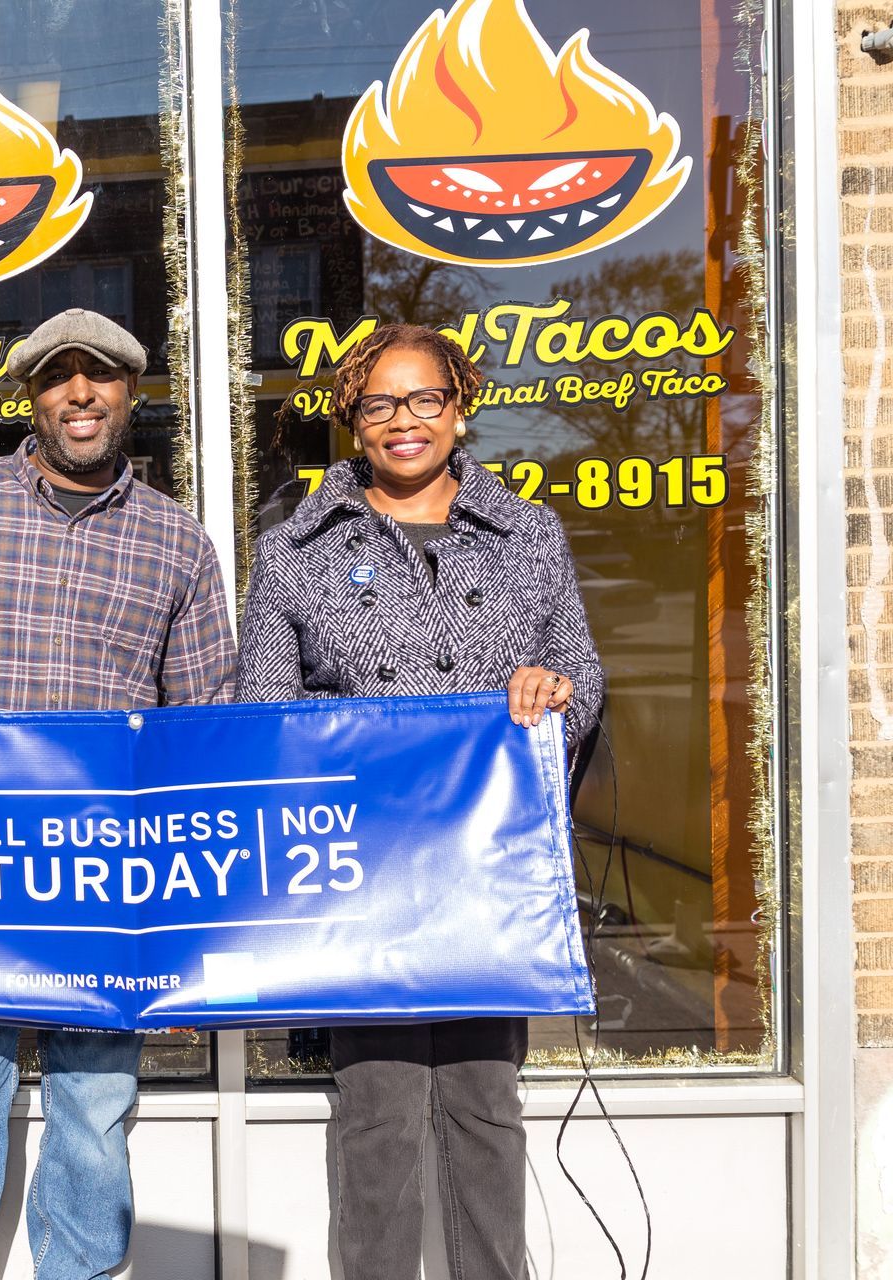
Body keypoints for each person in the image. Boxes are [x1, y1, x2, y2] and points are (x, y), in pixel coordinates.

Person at [0, 308, 237, 1279]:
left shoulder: (178, 542)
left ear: (130, 391)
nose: (80, 392)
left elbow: (203, 724)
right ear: (31, 397)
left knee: (92, 1112)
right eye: (57, 375)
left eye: (102, 373)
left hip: (107, 881)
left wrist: (187, 907)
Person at [233, 322, 605, 1279]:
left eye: (424, 399)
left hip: (489, 872)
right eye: (379, 404)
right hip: (367, 880)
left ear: (460, 406)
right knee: (378, 1114)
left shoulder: (528, 533)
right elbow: (266, 723)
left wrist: (552, 695)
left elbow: (583, 676)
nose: (404, 422)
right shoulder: (293, 555)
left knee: (488, 1103)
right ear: (353, 422)